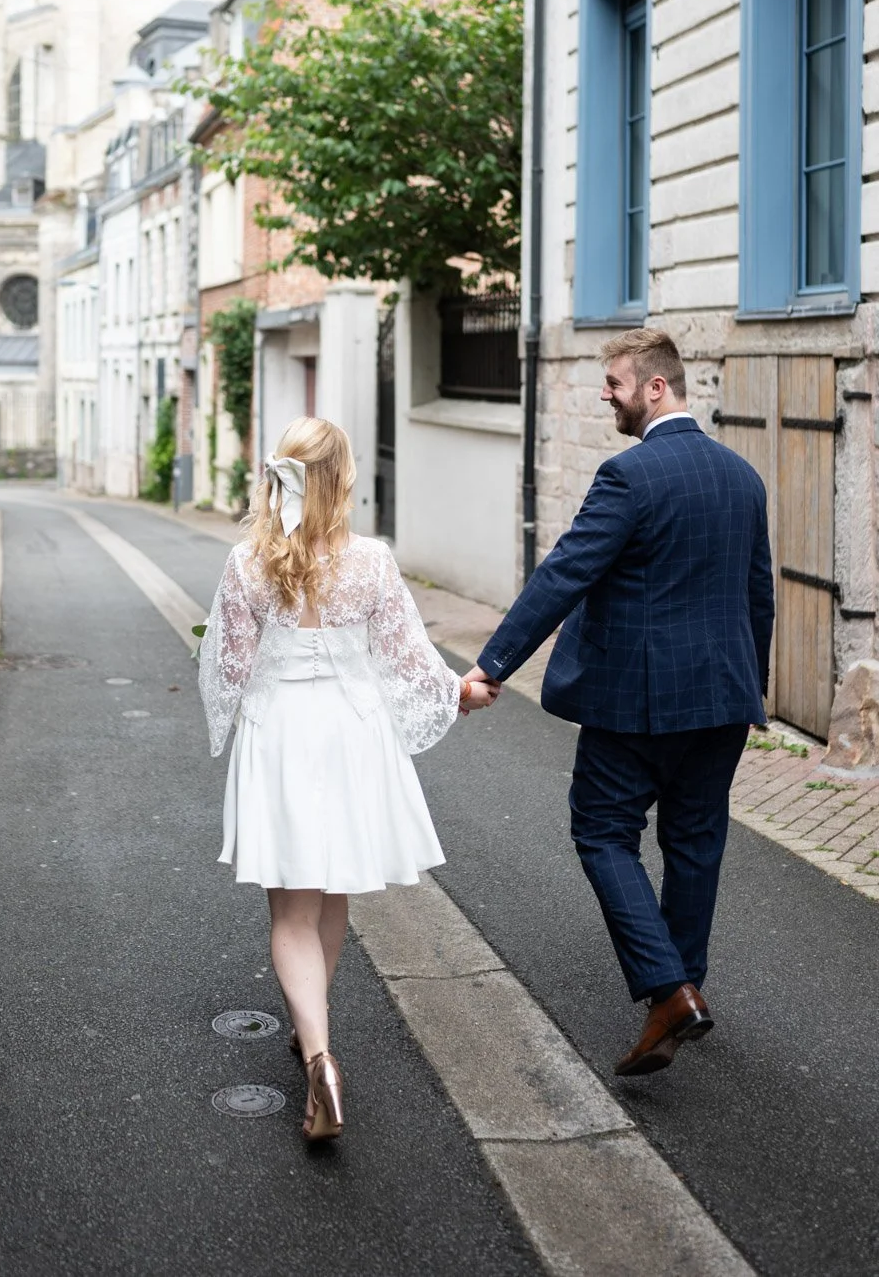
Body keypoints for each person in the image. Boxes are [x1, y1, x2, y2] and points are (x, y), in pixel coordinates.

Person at [467, 328, 774, 1076]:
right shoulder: (743, 477)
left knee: (603, 833)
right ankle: (681, 994)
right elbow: (759, 597)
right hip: (723, 700)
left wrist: (492, 664)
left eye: (615, 382)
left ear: (656, 388)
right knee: (696, 844)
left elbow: (564, 574)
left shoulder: (628, 477)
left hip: (635, 705)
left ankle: (670, 992)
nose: (606, 393)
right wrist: (745, 683)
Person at [197, 416, 496, 1139]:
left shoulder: (247, 564)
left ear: (281, 475)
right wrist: (461, 691)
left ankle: (319, 1053)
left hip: (283, 733)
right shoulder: (372, 561)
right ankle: (313, 1038)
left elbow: (230, 669)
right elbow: (408, 659)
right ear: (342, 479)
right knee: (332, 894)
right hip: (354, 735)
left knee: (290, 911)